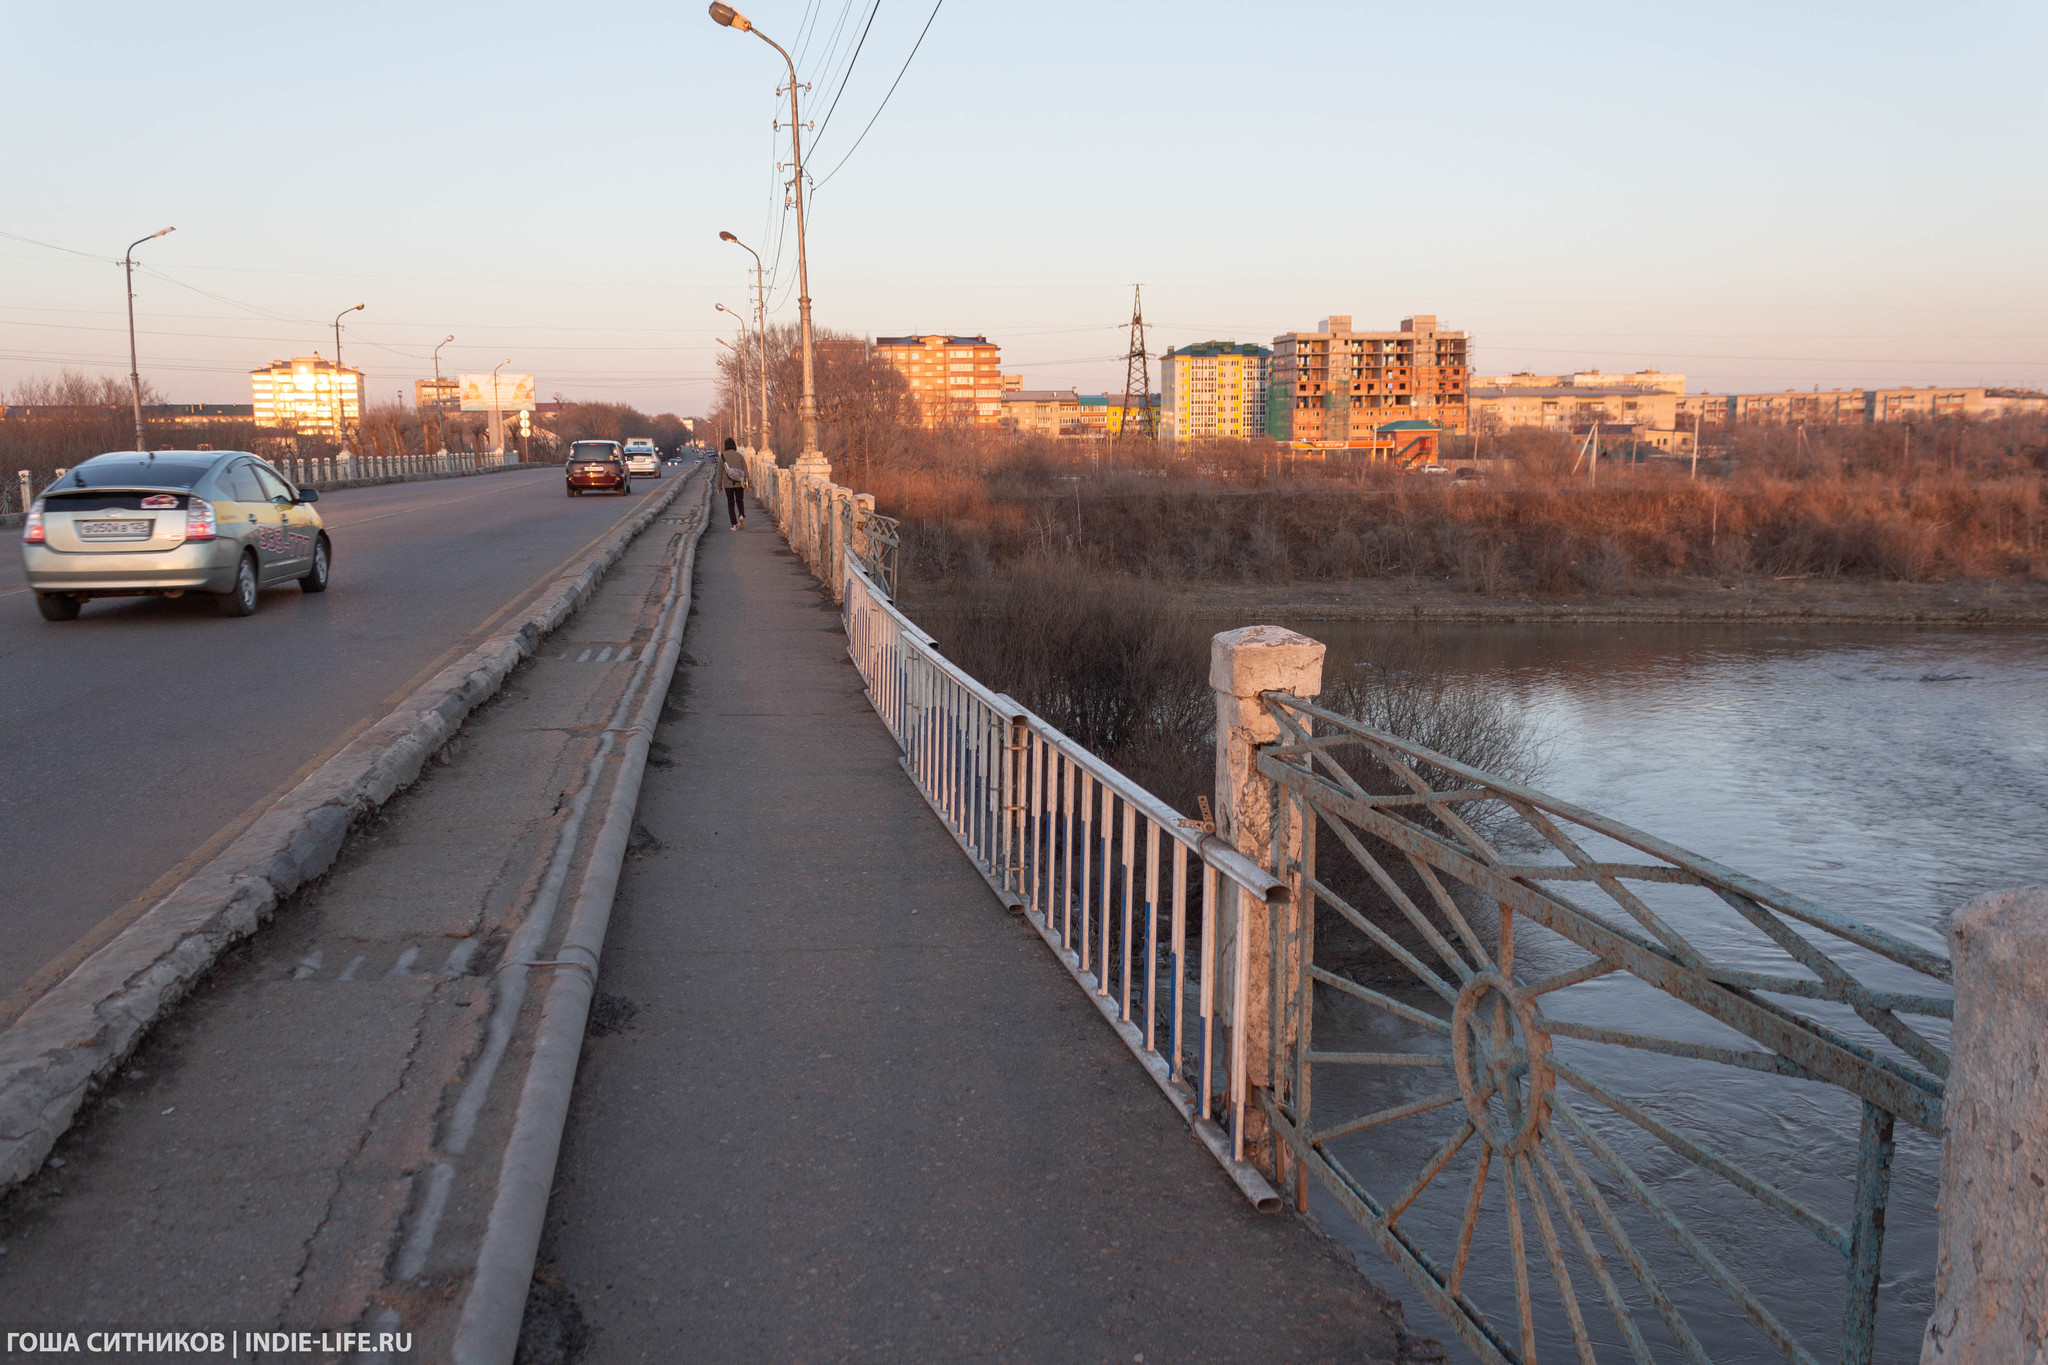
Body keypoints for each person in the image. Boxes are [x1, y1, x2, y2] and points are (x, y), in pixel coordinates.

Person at [719, 437, 746, 530]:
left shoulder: (722, 457)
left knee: (731, 504)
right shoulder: (740, 456)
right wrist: (746, 483)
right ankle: (741, 515)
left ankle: (734, 525)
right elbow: (745, 470)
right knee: (740, 501)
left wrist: (719, 487)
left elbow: (720, 473)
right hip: (739, 483)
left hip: (728, 484)